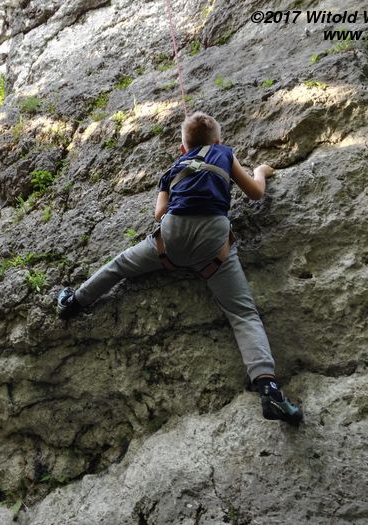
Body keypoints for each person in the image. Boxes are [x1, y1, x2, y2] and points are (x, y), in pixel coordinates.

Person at [57, 111, 302, 424]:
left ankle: (73, 302)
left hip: (170, 240)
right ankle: (268, 389)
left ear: (183, 148)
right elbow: (255, 193)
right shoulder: (224, 153)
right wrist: (261, 171)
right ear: (218, 140)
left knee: (119, 266)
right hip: (213, 243)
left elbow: (160, 213)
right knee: (242, 314)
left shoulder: (173, 169)